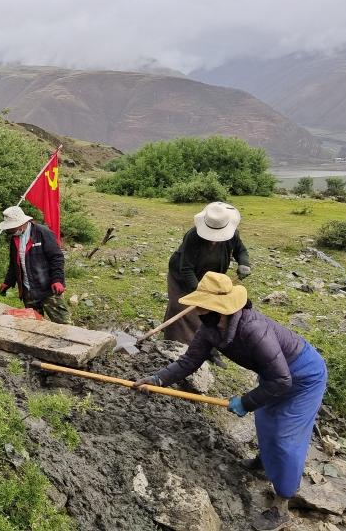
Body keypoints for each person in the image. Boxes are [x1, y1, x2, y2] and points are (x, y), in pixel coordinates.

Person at [133, 272, 327, 531]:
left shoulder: (254, 330)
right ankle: (265, 463)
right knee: (266, 416)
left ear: (221, 308)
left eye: (204, 307)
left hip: (304, 376)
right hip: (276, 374)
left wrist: (246, 402)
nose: (200, 312)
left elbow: (282, 380)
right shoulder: (210, 329)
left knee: (285, 435)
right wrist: (157, 379)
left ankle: (282, 506)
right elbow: (189, 362)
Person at [164, 202, 251, 365]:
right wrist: (199, 292)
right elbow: (186, 268)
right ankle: (174, 346)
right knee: (180, 309)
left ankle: (210, 349)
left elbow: (241, 251)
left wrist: (244, 264)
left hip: (211, 278)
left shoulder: (233, 234)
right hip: (184, 276)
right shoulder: (193, 236)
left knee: (212, 312)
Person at [0, 206, 71, 324]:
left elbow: (57, 257)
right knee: (34, 324)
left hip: (48, 289)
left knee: (64, 324)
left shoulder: (43, 233)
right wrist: (8, 282)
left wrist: (58, 280)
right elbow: (14, 264)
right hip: (28, 291)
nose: (10, 230)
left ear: (23, 223)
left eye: (12, 227)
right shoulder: (14, 239)